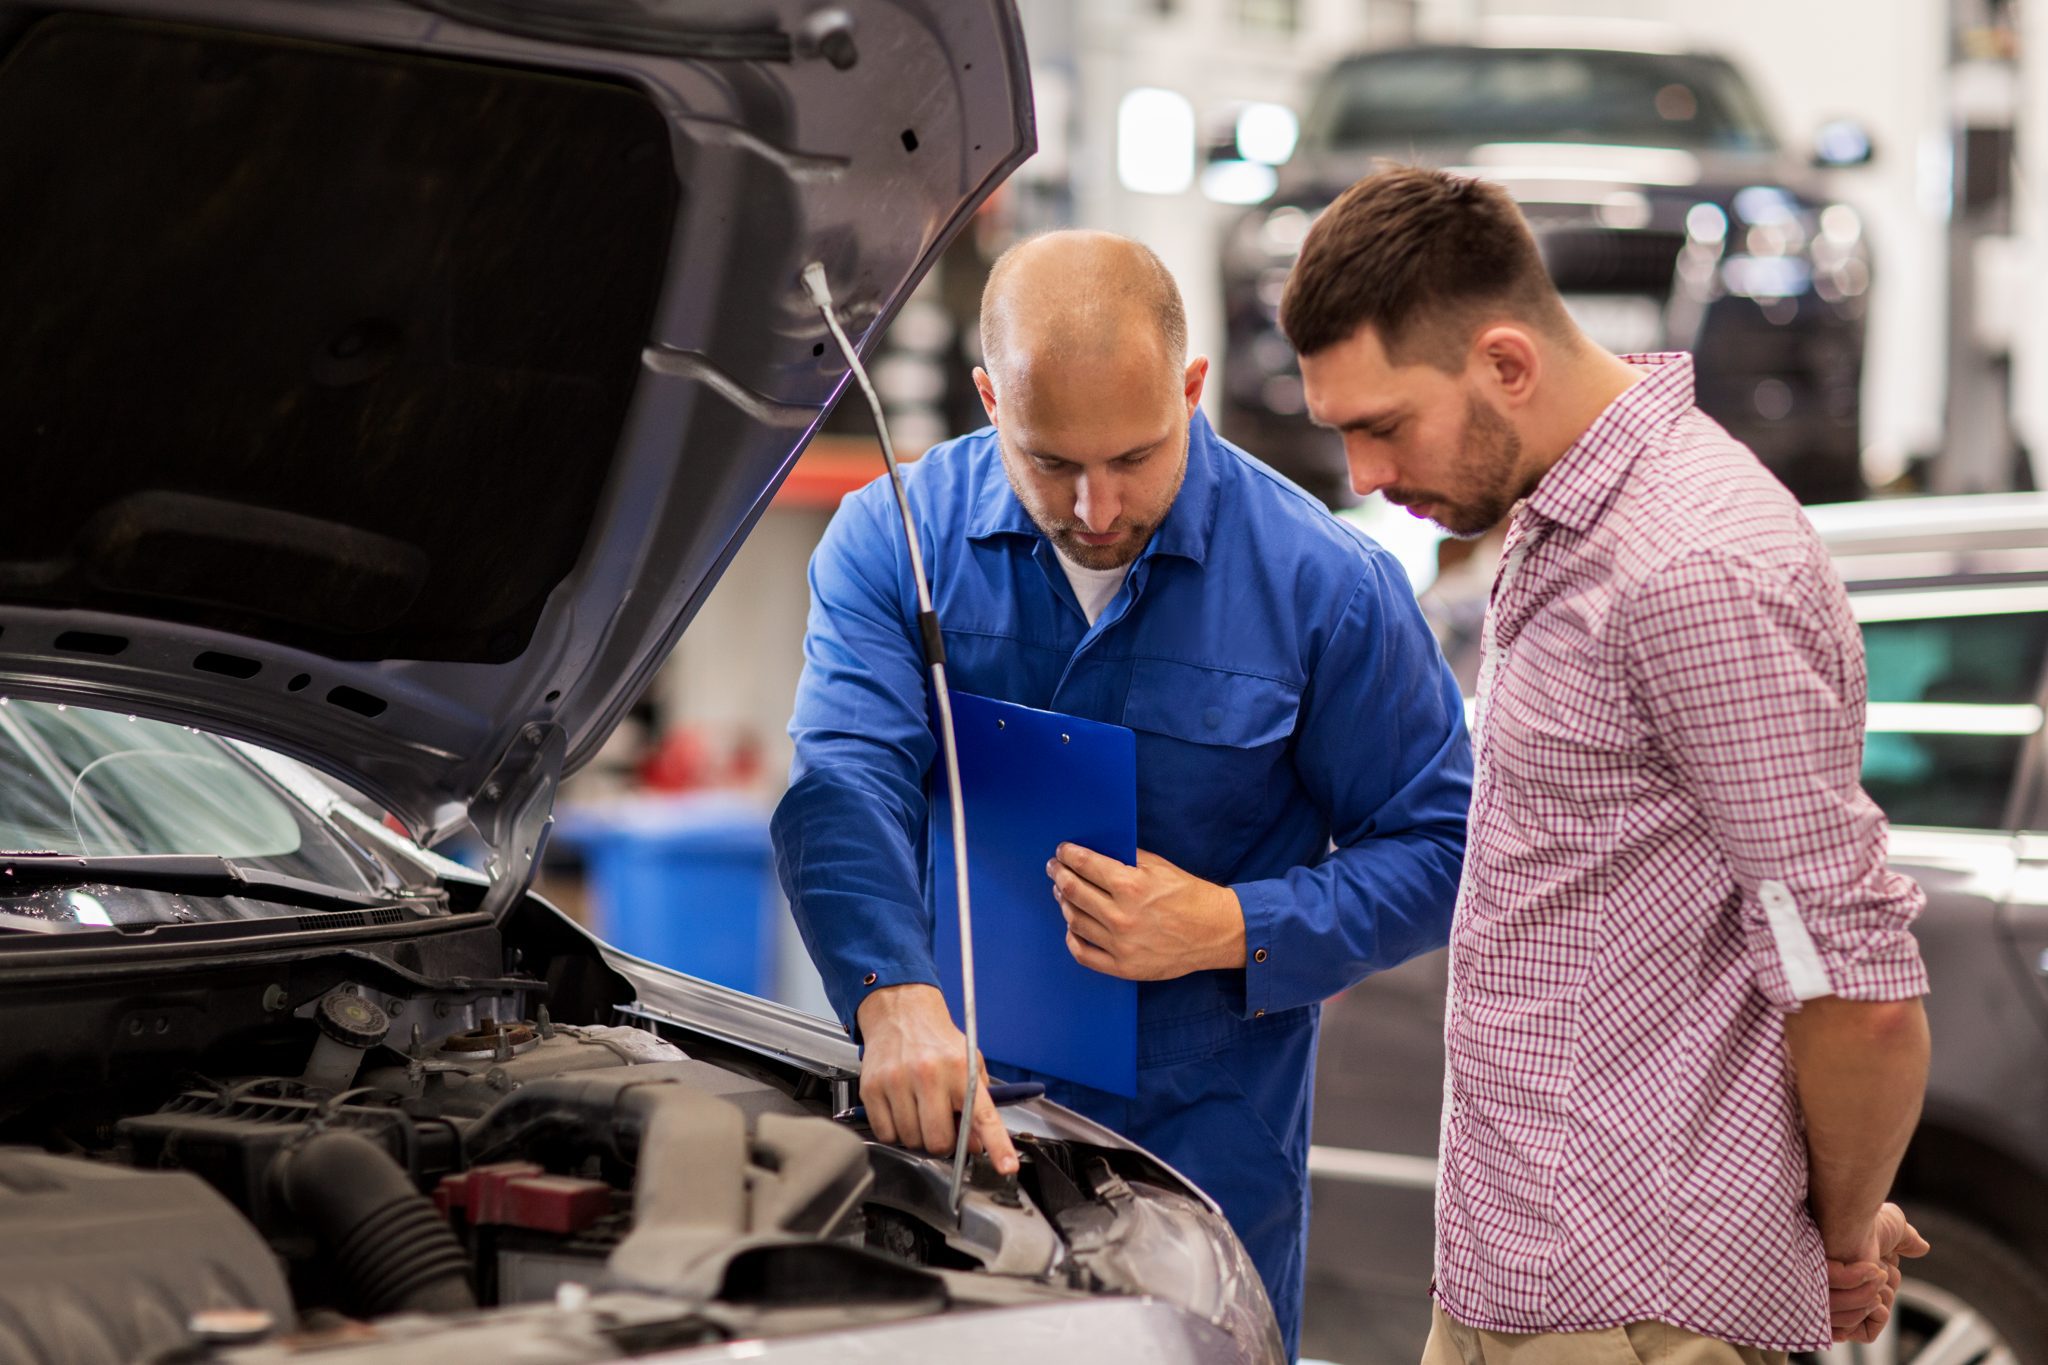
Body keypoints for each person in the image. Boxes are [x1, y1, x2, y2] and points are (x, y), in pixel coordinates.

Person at [772, 229, 1471, 1358]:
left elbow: (1441, 846)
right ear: (989, 397)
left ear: (1191, 391)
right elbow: (843, 778)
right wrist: (889, 993)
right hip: (954, 1112)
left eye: (1135, 457)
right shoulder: (894, 541)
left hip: (1207, 1152)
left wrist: (1231, 924)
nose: (1095, 506)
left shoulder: (1323, 586)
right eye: (1049, 461)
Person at [1277, 166, 1931, 1363]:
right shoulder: (1562, 515)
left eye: (1380, 425)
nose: (1362, 476)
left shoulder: (1687, 570)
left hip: (1634, 1316)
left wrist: (1834, 1241)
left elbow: (1856, 989)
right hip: (1511, 1286)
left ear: (1506, 365)